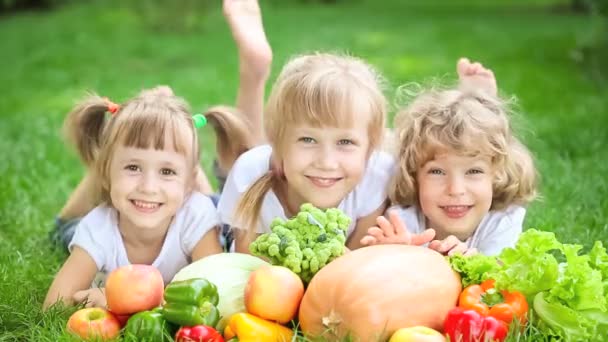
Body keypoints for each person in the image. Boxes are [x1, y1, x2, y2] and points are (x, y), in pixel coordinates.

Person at [43, 86, 246, 309]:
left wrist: (122, 300)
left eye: (166, 171)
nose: (148, 187)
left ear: (191, 184)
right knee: (63, 232)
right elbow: (53, 307)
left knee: (209, 199)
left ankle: (162, 122)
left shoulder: (196, 214)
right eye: (133, 167)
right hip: (94, 214)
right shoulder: (96, 228)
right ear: (105, 174)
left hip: (190, 198)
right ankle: (154, 126)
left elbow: (216, 288)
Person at [217, 51, 395, 253]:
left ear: (370, 149)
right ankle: (253, 71)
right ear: (277, 143)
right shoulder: (249, 172)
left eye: (345, 141)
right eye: (308, 139)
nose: (327, 162)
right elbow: (252, 268)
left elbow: (354, 266)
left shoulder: (378, 175)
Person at [360, 58, 538, 256]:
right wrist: (393, 251)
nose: (455, 190)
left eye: (473, 171)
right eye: (437, 171)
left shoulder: (502, 220)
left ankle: (481, 98)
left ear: (497, 174)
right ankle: (478, 99)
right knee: (388, 148)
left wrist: (468, 265)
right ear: (414, 176)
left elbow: (499, 278)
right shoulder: (402, 220)